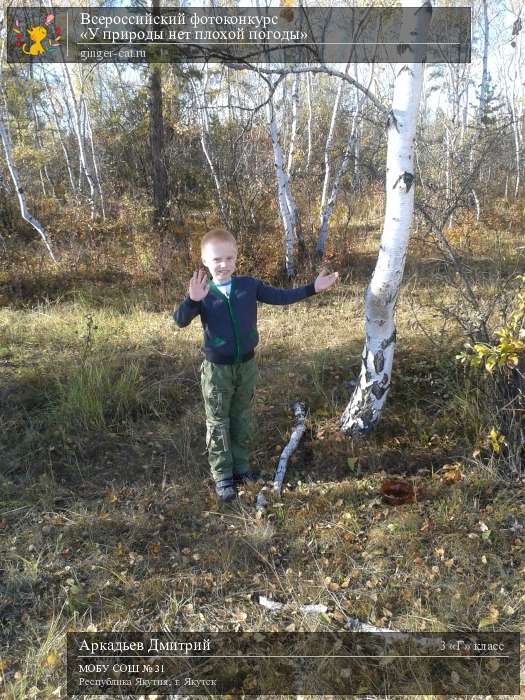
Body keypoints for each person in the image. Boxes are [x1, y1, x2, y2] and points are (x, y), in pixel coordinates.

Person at [173, 228, 339, 503]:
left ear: (236, 258)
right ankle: (222, 474)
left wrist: (312, 288)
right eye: (216, 260)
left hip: (246, 366)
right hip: (217, 372)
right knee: (218, 422)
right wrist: (192, 300)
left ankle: (240, 467)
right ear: (205, 261)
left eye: (229, 258)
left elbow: (281, 297)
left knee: (241, 418)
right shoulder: (202, 292)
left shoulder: (248, 285)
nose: (223, 264)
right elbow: (179, 320)